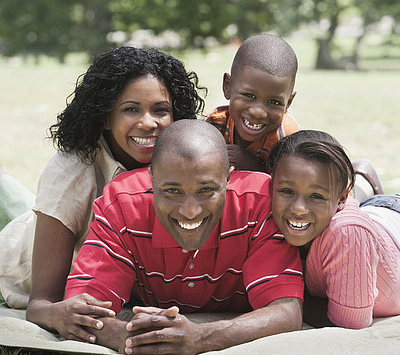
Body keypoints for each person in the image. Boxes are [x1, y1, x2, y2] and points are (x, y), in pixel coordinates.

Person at [0, 46, 205, 335]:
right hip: (16, 267)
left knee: (19, 201)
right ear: (106, 117)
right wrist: (56, 315)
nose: (148, 123)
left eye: (160, 110)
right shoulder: (72, 171)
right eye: (131, 109)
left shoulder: (177, 161)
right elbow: (40, 303)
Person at [63, 119, 304, 353]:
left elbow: (286, 312)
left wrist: (202, 337)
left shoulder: (259, 203)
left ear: (228, 178)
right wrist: (131, 337)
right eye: (172, 191)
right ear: (152, 178)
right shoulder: (122, 204)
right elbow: (82, 309)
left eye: (206, 190)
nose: (190, 211)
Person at [267, 130, 400, 329]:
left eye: (316, 196)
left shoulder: (347, 234)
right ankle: (362, 180)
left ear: (342, 198)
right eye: (287, 191)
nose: (298, 209)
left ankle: (362, 178)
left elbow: (350, 324)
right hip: (372, 214)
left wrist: (294, 300)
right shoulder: (264, 210)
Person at [205, 34, 300, 171]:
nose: (258, 112)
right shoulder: (213, 125)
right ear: (228, 87)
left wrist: (254, 166)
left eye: (274, 102)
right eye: (249, 95)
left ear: (288, 103)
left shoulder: (289, 139)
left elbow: (297, 184)